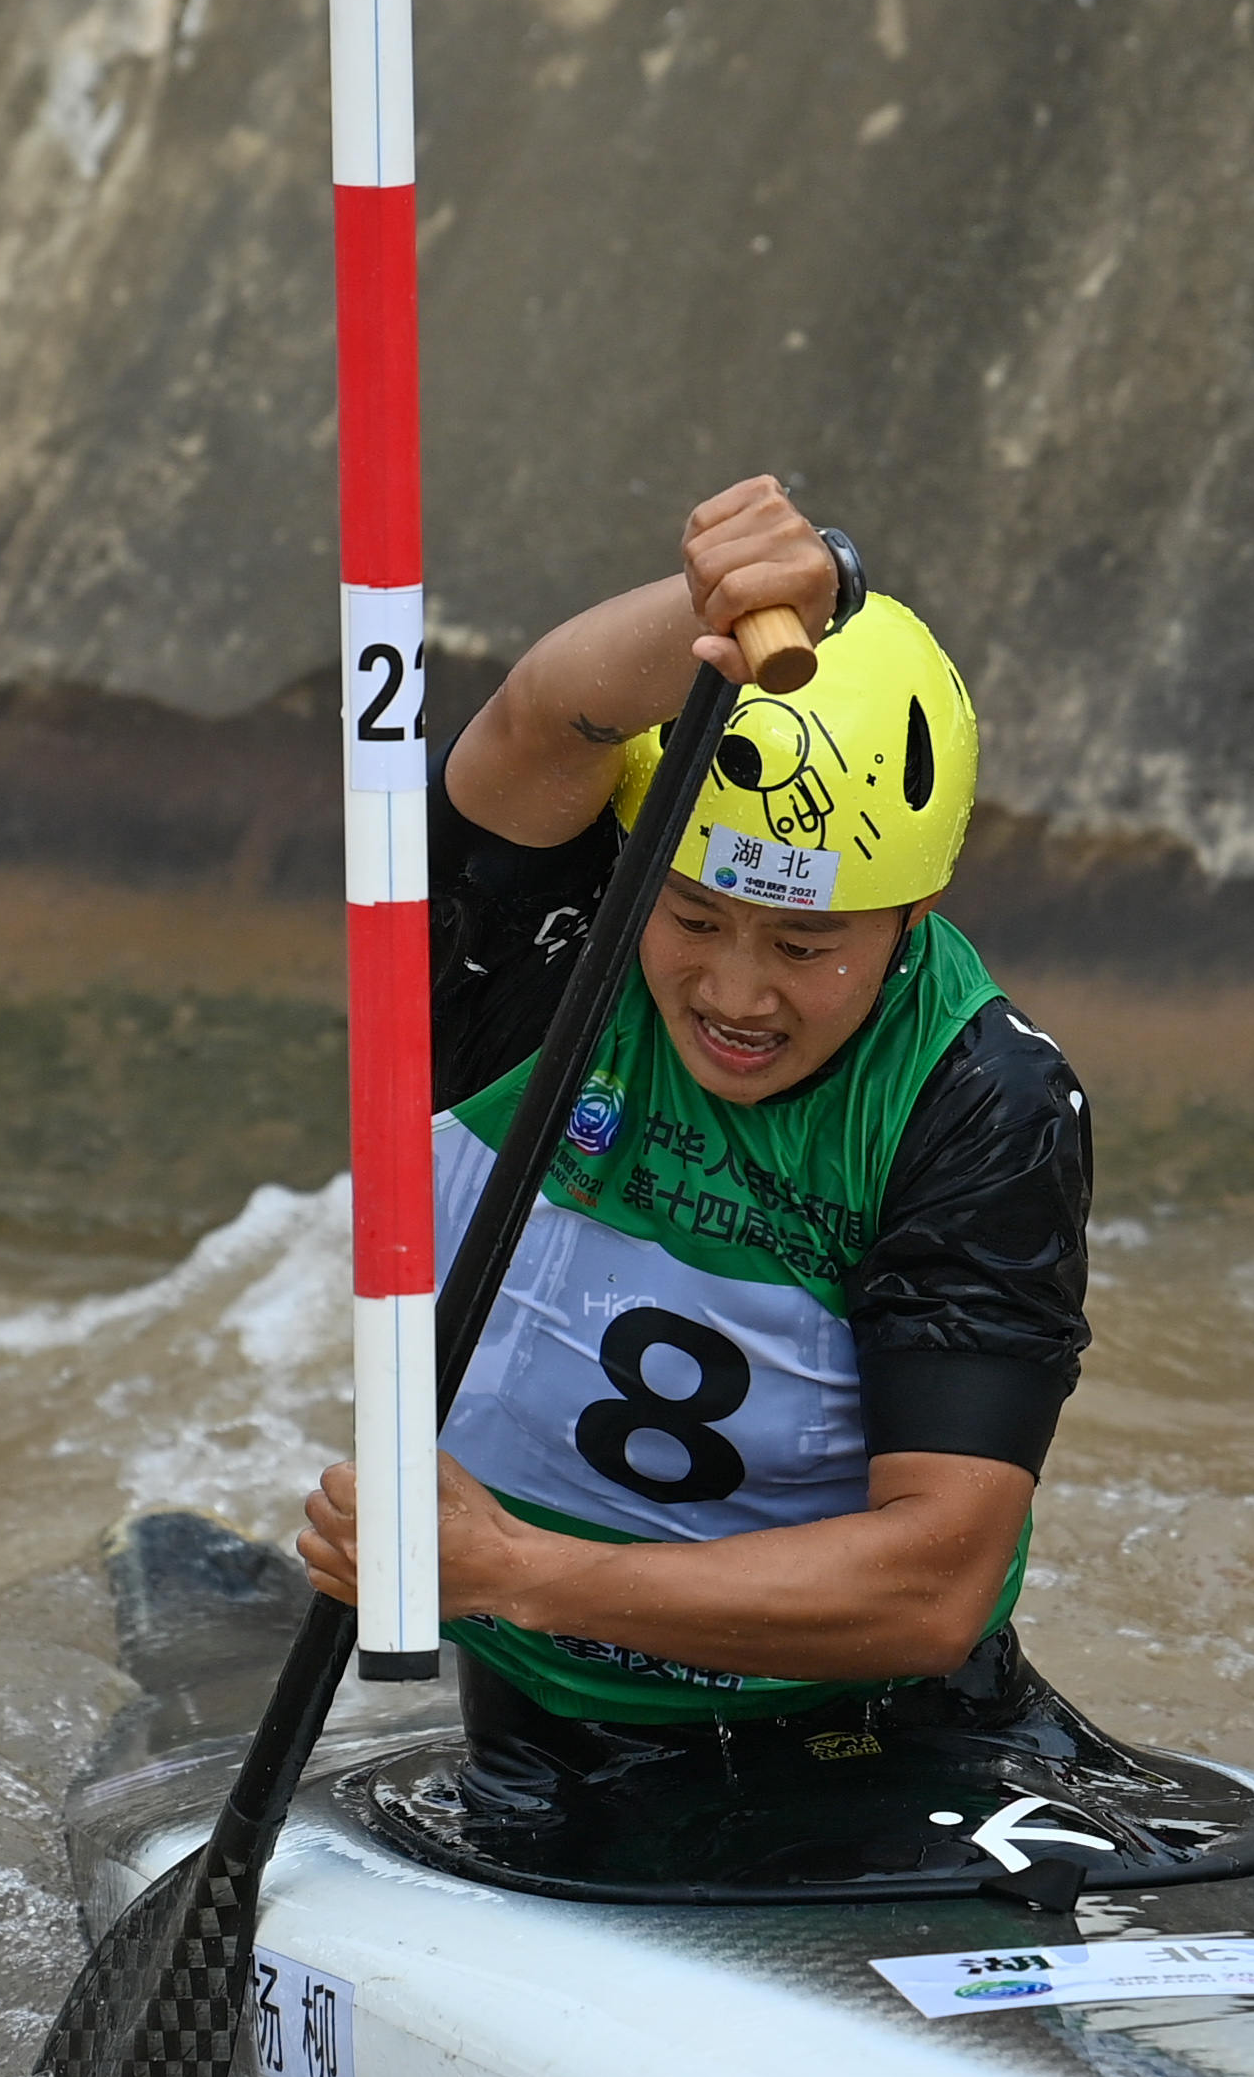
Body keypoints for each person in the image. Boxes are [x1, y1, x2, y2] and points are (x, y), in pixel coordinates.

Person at [296, 474, 1092, 1827]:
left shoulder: (980, 1102)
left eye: (804, 944)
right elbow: (554, 712)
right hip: (553, 1731)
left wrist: (507, 1570)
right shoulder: (545, 959)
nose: (736, 993)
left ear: (910, 911)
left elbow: (932, 1587)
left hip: (887, 1733)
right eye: (695, 918)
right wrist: (742, 595)